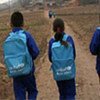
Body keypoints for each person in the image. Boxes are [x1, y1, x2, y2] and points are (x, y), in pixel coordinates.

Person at [3, 12, 39, 100]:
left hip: (15, 72)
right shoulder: (26, 35)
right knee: (32, 91)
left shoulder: (8, 39)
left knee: (19, 96)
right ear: (23, 23)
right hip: (28, 71)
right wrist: (28, 59)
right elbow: (35, 51)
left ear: (11, 24)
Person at [48, 18, 76, 100]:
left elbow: (50, 58)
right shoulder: (69, 39)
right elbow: (73, 55)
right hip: (69, 71)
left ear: (53, 28)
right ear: (63, 27)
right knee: (70, 94)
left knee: (62, 93)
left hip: (58, 72)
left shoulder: (52, 41)